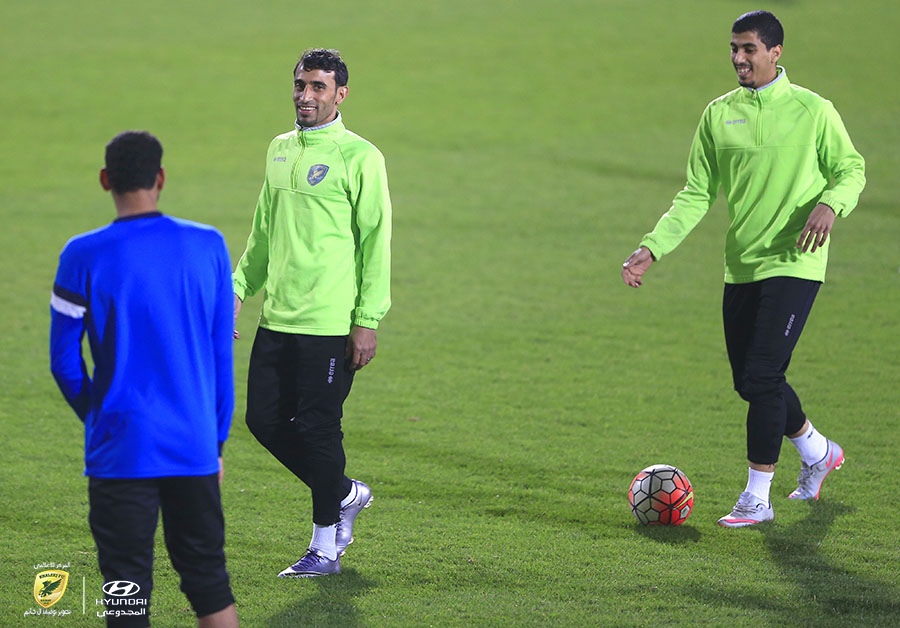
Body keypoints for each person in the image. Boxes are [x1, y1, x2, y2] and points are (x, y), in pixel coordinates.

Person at [621, 11, 865, 528]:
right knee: (751, 382)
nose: (738, 58)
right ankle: (818, 451)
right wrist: (652, 247)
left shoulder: (813, 110)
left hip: (796, 260)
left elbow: (851, 168)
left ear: (776, 52)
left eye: (749, 49)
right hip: (743, 265)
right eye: (734, 48)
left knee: (763, 374)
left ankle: (758, 497)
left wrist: (831, 204)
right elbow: (697, 192)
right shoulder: (718, 115)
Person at [50, 131, 239, 626]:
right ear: (161, 178)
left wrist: (100, 419)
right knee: (209, 582)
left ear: (105, 180)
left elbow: (64, 363)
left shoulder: (81, 253)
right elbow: (220, 356)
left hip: (121, 448)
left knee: (126, 591)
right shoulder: (209, 245)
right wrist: (215, 441)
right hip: (193, 443)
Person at [233, 48, 391, 576]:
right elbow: (263, 231)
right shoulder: (279, 149)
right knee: (262, 420)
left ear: (340, 94)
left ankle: (325, 549)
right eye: (301, 85)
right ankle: (344, 492)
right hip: (277, 317)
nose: (306, 96)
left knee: (319, 429)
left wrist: (366, 320)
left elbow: (376, 242)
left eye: (318, 87)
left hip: (329, 323)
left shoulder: (360, 157)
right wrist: (238, 290)